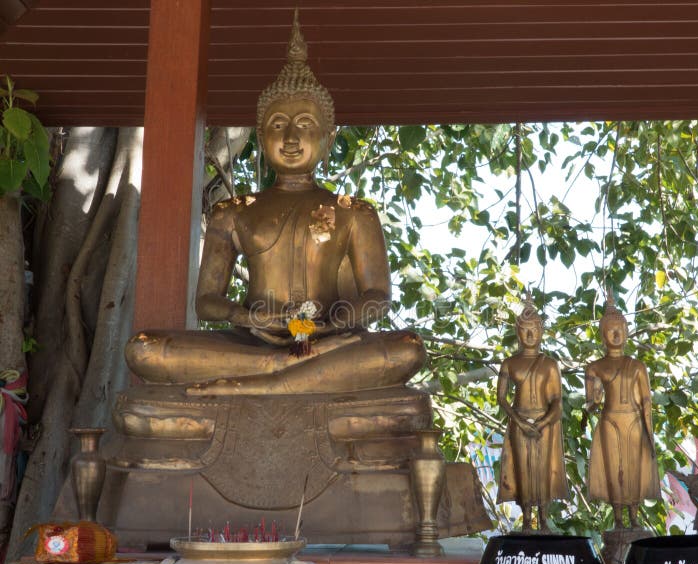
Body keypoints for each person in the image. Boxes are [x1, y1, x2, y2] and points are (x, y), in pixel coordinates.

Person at [125, 11, 425, 395]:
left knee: (407, 349)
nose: (291, 137)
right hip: (251, 343)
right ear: (261, 137)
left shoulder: (354, 212)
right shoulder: (233, 211)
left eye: (305, 125)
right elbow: (206, 301)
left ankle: (268, 377)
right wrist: (246, 316)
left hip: (329, 340)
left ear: (329, 139)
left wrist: (330, 323)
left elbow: (377, 298)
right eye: (278, 125)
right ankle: (280, 370)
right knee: (145, 349)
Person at [585, 295, 659, 529]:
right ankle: (618, 518)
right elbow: (591, 402)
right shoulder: (595, 367)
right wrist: (593, 400)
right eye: (610, 330)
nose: (616, 334)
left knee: (634, 469)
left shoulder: (637, 366)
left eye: (620, 329)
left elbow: (646, 401)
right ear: (602, 335)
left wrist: (650, 434)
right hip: (610, 422)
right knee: (614, 468)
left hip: (634, 421)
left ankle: (634, 518)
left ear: (626, 332)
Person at [496, 300, 568, 532]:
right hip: (519, 421)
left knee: (543, 469)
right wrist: (518, 422)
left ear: (541, 332)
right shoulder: (510, 363)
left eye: (534, 330)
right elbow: (502, 398)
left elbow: (557, 400)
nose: (529, 335)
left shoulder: (549, 364)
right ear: (518, 332)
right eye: (525, 330)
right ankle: (527, 519)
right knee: (523, 471)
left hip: (544, 422)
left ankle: (544, 519)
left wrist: (545, 421)